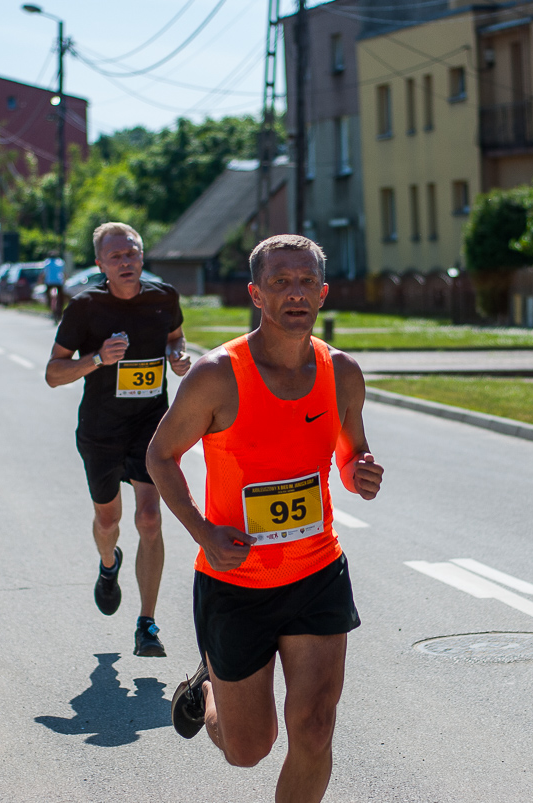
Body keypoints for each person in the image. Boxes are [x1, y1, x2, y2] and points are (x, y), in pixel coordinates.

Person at [146, 234, 384, 803]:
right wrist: (203, 532)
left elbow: (350, 454)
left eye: (306, 282)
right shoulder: (216, 375)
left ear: (323, 293)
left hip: (317, 572)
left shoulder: (342, 373)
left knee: (315, 727)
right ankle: (209, 689)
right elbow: (159, 455)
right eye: (280, 282)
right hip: (235, 582)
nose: (294, 293)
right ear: (256, 293)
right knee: (247, 748)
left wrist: (360, 474)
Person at [44, 222, 191, 657]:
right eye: (115, 257)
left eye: (131, 254)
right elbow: (53, 373)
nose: (125, 262)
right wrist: (96, 359)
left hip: (150, 426)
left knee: (149, 519)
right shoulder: (85, 307)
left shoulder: (163, 297)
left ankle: (147, 623)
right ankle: (109, 565)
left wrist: (177, 355)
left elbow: (175, 337)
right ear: (100, 265)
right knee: (109, 522)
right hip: (101, 431)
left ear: (142, 257)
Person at [44, 254, 65, 321]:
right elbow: (64, 273)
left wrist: (40, 280)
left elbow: (43, 273)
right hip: (58, 282)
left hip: (49, 282)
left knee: (48, 295)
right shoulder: (60, 262)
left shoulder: (47, 262)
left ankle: (49, 305)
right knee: (60, 297)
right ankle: (60, 310)